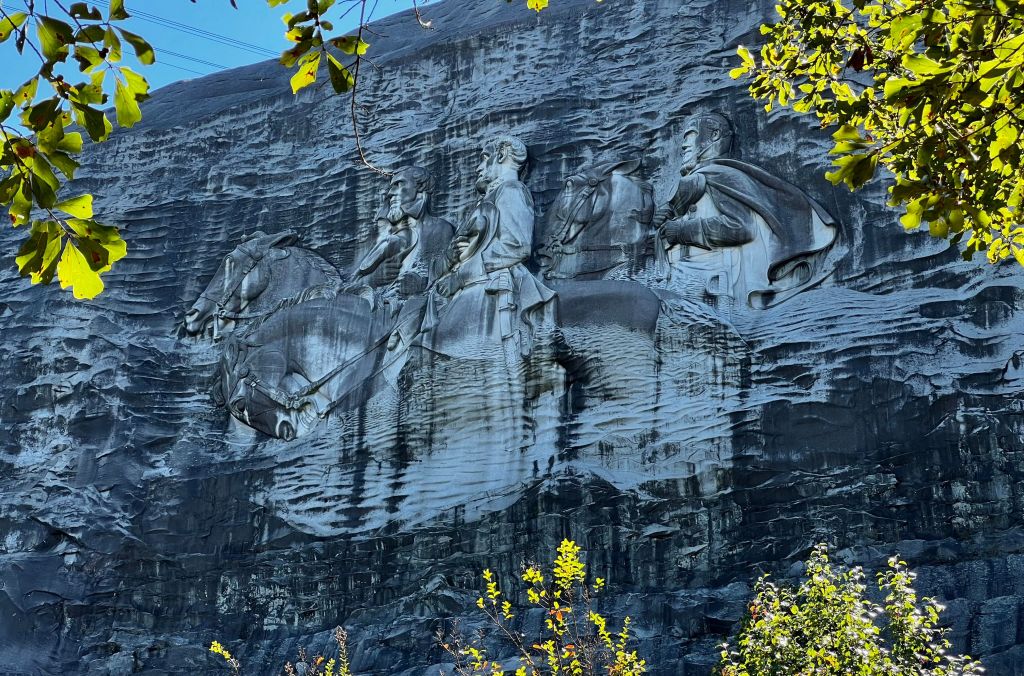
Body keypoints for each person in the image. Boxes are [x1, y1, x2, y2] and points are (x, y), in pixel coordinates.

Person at [653, 112, 838, 309]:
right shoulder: (701, 179)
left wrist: (683, 231)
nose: (683, 145)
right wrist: (666, 218)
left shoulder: (722, 175)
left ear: (714, 135)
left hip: (713, 284)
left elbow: (741, 227)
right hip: (687, 279)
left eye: (690, 135)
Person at [418, 135, 554, 362]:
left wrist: (460, 276)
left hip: (489, 289)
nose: (479, 168)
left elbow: (516, 246)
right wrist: (451, 258)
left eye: (484, 158)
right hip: (471, 287)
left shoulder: (511, 189)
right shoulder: (490, 198)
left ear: (501, 155)